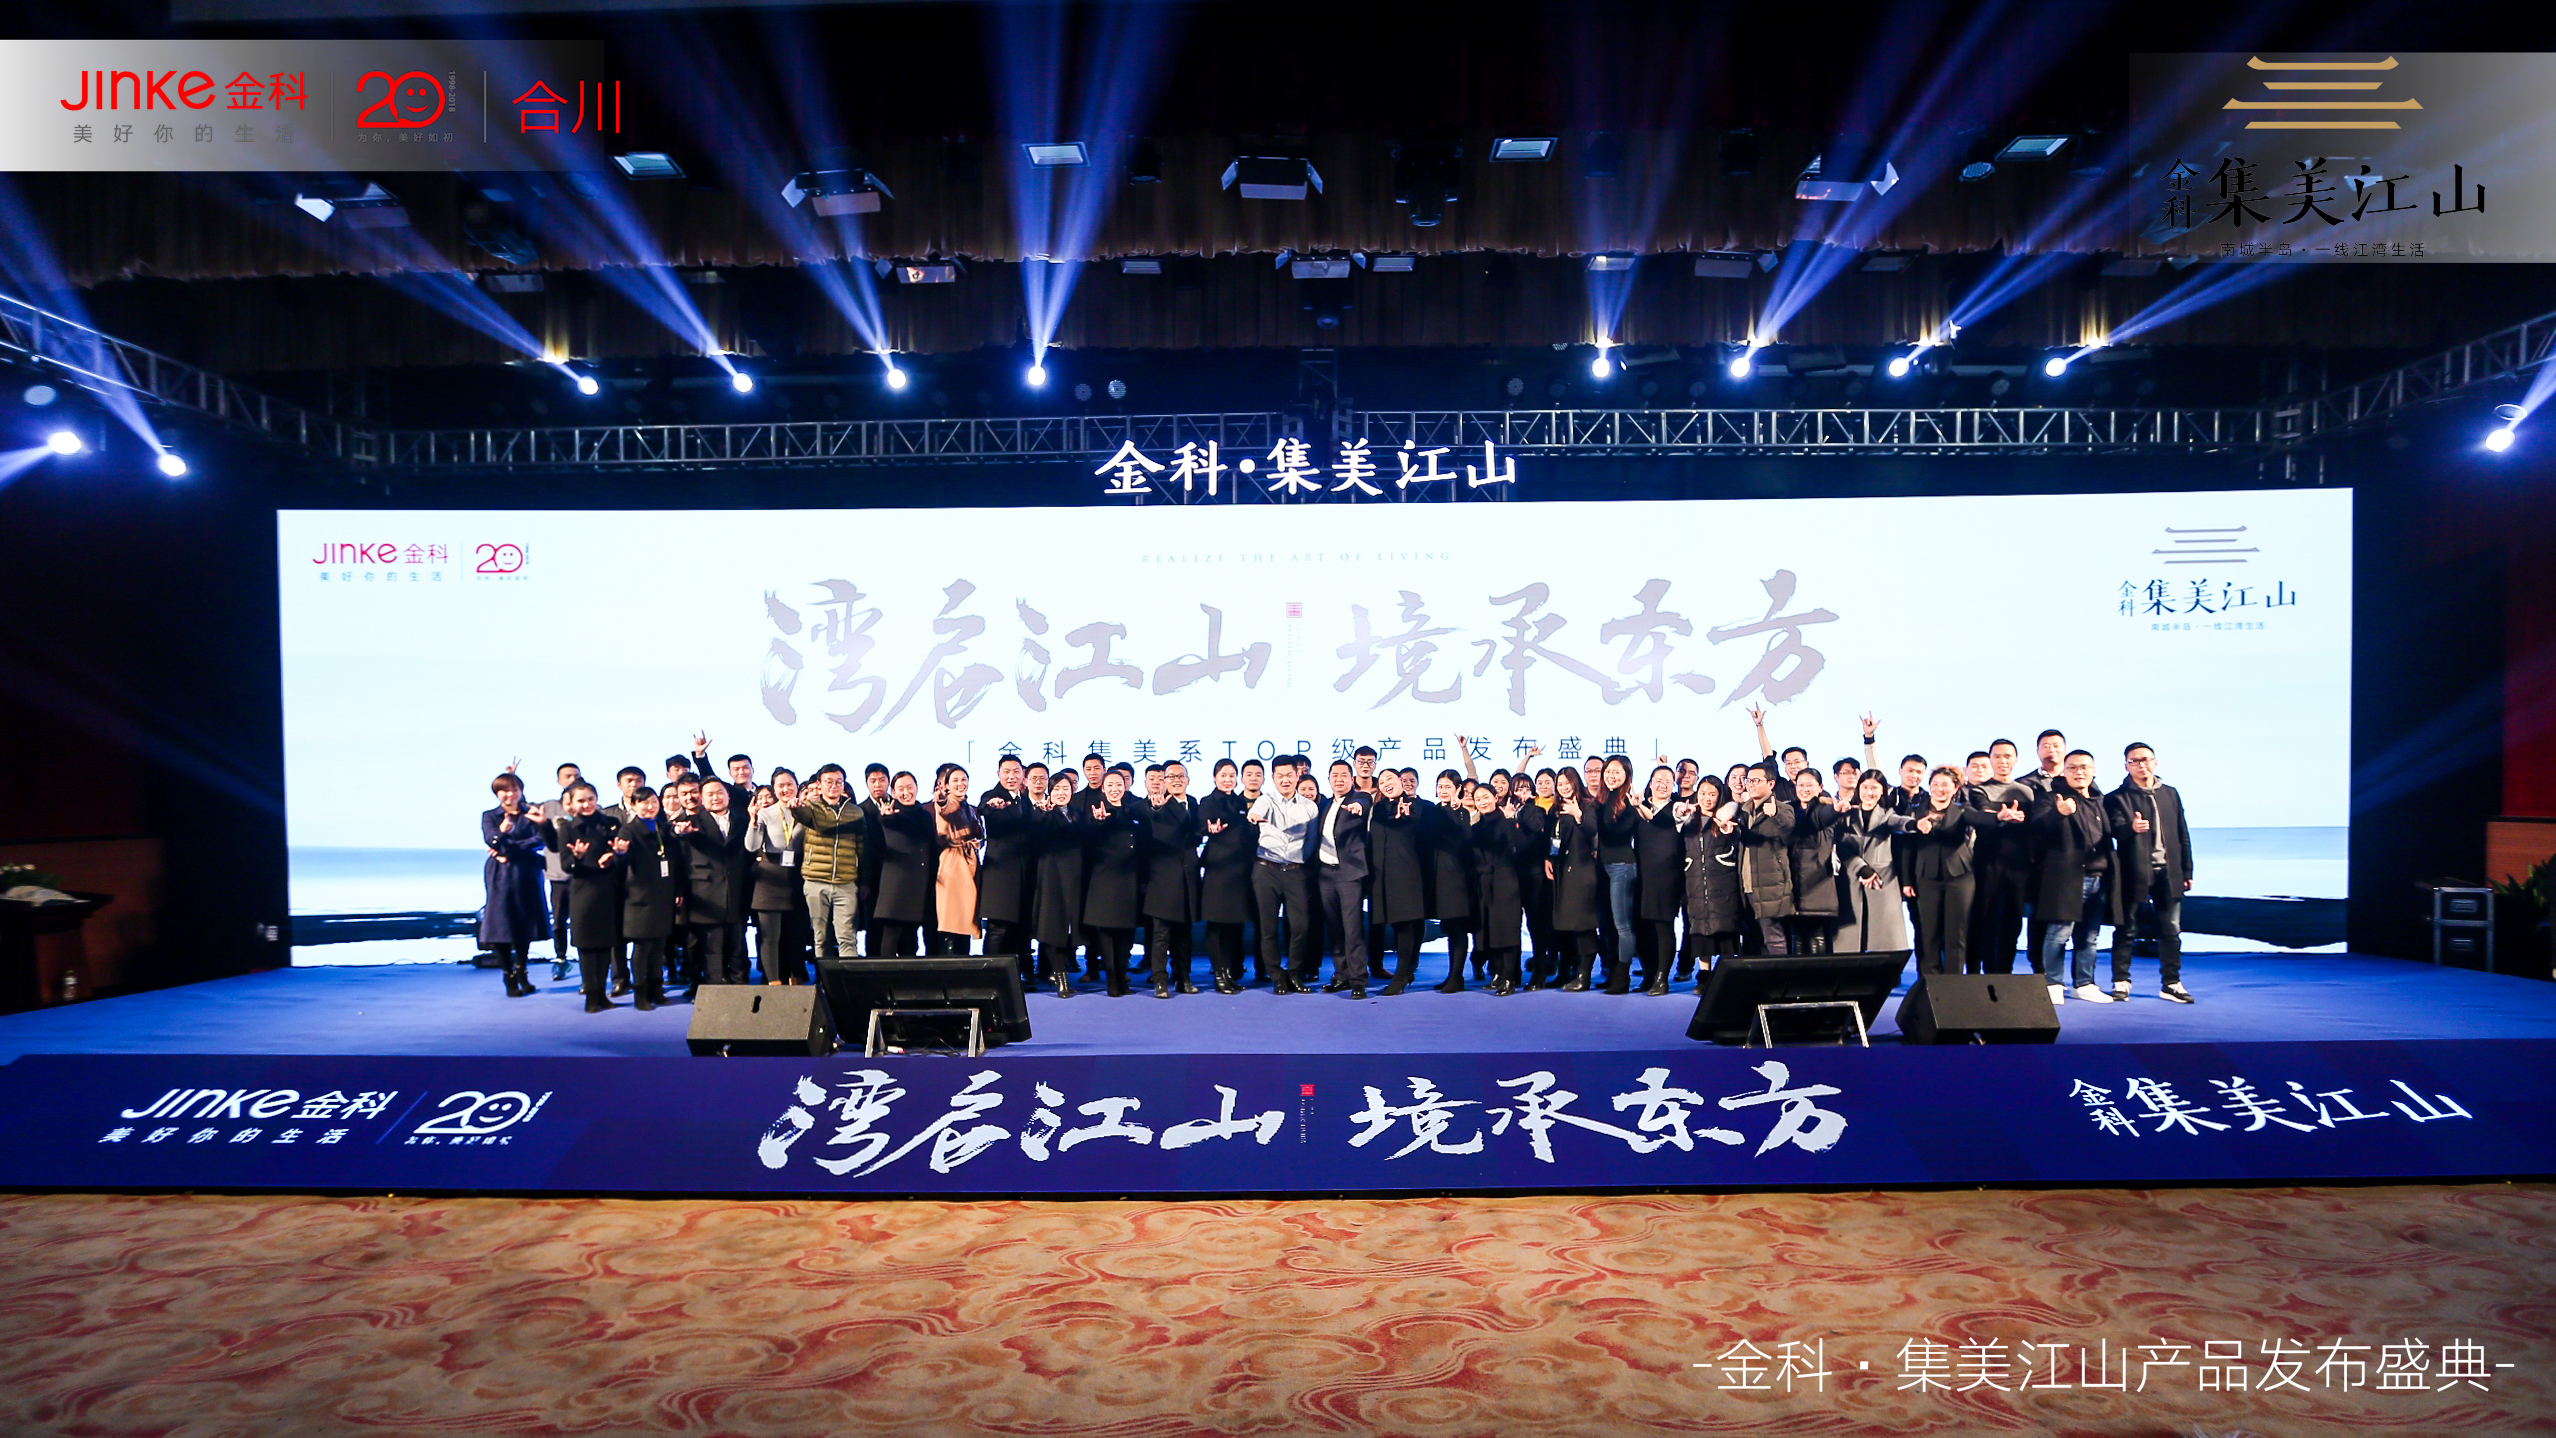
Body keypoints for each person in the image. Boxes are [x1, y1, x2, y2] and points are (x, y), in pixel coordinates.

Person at [2107, 742, 2196, 1003]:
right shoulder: (2116, 797)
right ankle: (2120, 981)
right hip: (2133, 872)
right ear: (2126, 766)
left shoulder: (2170, 793)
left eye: (2145, 759)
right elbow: (2112, 832)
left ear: (2155, 762)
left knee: (2171, 930)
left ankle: (2171, 983)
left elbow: (2182, 833)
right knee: (2126, 929)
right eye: (2134, 761)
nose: (2141, 765)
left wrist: (2187, 870)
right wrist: (2131, 828)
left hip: (2170, 872)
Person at [2030, 749, 2112, 1005]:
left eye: (2084, 767)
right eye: (2073, 768)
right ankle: (2053, 982)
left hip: (2099, 877)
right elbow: (2036, 829)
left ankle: (2084, 983)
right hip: (2066, 878)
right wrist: (2059, 813)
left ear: (2094, 771)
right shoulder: (2050, 797)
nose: (2079, 772)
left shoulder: (2101, 800)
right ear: (2064, 771)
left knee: (2090, 936)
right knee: (2058, 933)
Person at [1964, 739, 2036, 974]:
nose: (2003, 761)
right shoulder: (1980, 790)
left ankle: (2004, 972)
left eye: (2007, 756)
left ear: (2016, 760)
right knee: (1983, 918)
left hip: (2018, 866)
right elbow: (1983, 813)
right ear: (1991, 760)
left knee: (2013, 922)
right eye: (1997, 756)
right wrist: (2001, 816)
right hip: (1987, 863)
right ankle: (1976, 972)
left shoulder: (2026, 792)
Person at [1898, 766, 1978, 976]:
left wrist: (2000, 817)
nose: (1939, 789)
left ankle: (1953, 982)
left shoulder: (1962, 811)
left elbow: (1982, 819)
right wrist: (1907, 881)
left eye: (1945, 785)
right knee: (1929, 932)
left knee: (1956, 933)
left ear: (1955, 788)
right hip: (1926, 878)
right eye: (1935, 784)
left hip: (1960, 877)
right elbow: (1907, 849)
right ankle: (1930, 982)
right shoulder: (1915, 811)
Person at [675, 772, 749, 988]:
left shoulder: (743, 820)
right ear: (702, 798)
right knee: (711, 947)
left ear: (728, 795)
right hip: (705, 894)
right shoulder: (690, 824)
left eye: (719, 792)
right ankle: (712, 991)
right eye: (709, 794)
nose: (715, 797)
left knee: (738, 944)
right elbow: (680, 861)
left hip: (737, 891)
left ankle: (741, 988)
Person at [478, 773, 549, 998]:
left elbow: (539, 840)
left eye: (514, 789)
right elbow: (491, 839)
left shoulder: (531, 813)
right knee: (500, 922)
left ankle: (522, 972)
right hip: (500, 873)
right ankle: (508, 975)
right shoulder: (490, 816)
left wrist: (507, 847)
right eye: (505, 791)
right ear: (497, 794)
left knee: (524, 922)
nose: (510, 794)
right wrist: (502, 832)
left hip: (527, 871)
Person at [555, 782, 624, 1013]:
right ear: (572, 804)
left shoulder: (611, 823)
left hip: (608, 890)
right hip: (583, 892)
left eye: (590, 799)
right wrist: (578, 857)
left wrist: (614, 856)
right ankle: (591, 996)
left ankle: (602, 994)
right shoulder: (567, 829)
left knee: (606, 944)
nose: (587, 804)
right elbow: (566, 866)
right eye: (581, 801)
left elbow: (621, 856)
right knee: (586, 946)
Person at [1310, 759, 1374, 997]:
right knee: (1334, 929)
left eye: (1343, 775)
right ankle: (1341, 975)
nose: (1339, 779)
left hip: (1350, 874)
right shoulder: (1325, 804)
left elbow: (1364, 802)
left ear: (1352, 779)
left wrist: (1358, 805)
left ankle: (1358, 980)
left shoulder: (1360, 798)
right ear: (1328, 779)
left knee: (1352, 928)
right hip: (1325, 874)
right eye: (1334, 775)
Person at [1079, 767, 1146, 996]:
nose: (1115, 789)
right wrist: (1098, 821)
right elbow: (1089, 834)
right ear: (1103, 788)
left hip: (1130, 881)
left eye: (1119, 784)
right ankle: (1111, 981)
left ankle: (1122, 978)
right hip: (1105, 881)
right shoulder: (1097, 812)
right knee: (1107, 933)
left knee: (1126, 932)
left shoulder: (1133, 811)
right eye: (1110, 785)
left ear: (1125, 786)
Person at [1140, 760, 1204, 998]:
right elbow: (1150, 814)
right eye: (1171, 777)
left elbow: (1196, 833)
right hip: (1163, 879)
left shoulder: (1194, 803)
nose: (1176, 780)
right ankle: (1160, 980)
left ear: (1188, 780)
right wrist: (1155, 808)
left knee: (1184, 934)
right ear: (1164, 782)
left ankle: (1183, 978)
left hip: (1188, 877)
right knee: (1161, 934)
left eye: (1181, 776)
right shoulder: (1157, 804)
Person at [789, 764, 865, 962]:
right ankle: (823, 977)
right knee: (820, 937)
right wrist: (795, 809)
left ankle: (849, 978)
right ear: (819, 784)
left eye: (839, 782)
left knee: (847, 937)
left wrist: (864, 881)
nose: (834, 786)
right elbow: (802, 816)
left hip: (846, 882)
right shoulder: (810, 808)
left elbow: (862, 847)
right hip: (816, 880)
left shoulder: (856, 812)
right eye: (829, 782)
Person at [1365, 769, 1429, 995]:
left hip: (1406, 875)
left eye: (1390, 778)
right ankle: (1403, 971)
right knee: (1391, 924)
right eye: (1382, 781)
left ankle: (1402, 975)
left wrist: (1408, 816)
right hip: (1380, 876)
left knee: (1405, 925)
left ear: (1401, 781)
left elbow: (1422, 833)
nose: (1386, 783)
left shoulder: (1416, 806)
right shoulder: (1379, 808)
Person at [1197, 758, 1258, 993]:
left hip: (1240, 871)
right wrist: (1208, 830)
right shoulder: (1208, 801)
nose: (1227, 780)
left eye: (1232, 776)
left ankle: (1230, 973)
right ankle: (1218, 974)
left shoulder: (1241, 802)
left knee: (1234, 925)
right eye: (1223, 775)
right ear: (1215, 777)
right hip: (1218, 870)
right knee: (1217, 925)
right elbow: (1200, 826)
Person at [745, 771, 810, 984]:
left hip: (797, 877)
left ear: (797, 786)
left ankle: (796, 977)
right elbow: (752, 846)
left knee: (797, 935)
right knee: (770, 937)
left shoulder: (806, 811)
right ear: (774, 789)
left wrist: (805, 812)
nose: (785, 789)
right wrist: (753, 819)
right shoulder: (765, 813)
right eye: (780, 785)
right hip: (769, 878)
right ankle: (773, 981)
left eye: (789, 784)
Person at [1467, 783, 1532, 995]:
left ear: (1496, 798)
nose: (1482, 802)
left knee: (1506, 929)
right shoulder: (1475, 827)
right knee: (1489, 930)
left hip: (1505, 881)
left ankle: (1510, 977)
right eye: (1478, 799)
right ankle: (1497, 973)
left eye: (1486, 797)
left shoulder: (1506, 822)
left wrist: (1511, 820)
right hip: (1483, 882)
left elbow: (1522, 846)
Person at [1027, 771, 1087, 997]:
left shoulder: (1078, 814)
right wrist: (1042, 815)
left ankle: (1059, 973)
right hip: (1052, 879)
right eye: (1056, 789)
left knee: (1070, 930)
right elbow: (1035, 836)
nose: (1061, 793)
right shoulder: (1043, 814)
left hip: (1075, 879)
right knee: (1053, 928)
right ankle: (1060, 978)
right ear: (1049, 793)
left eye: (1066, 789)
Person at [1678, 776, 1743, 980]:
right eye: (1703, 793)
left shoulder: (1729, 817)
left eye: (1712, 794)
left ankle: (1726, 974)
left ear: (1719, 796)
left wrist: (1730, 831)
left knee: (1725, 928)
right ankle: (1704, 974)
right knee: (1700, 930)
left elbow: (1738, 841)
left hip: (1723, 884)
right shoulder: (1689, 820)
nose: (1707, 798)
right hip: (1695, 883)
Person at [1834, 772, 1909, 953]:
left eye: (1874, 788)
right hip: (1851, 880)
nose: (1869, 792)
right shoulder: (1845, 816)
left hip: (1883, 881)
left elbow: (1900, 823)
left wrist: (1914, 825)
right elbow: (1842, 847)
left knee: (1884, 940)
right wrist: (1862, 869)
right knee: (1849, 941)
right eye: (1865, 787)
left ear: (1883, 791)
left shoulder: (1888, 815)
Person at [615, 787, 674, 1011]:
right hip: (639, 897)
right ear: (634, 805)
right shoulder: (628, 830)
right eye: (643, 803)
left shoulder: (664, 828)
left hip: (663, 895)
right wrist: (620, 853)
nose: (649, 807)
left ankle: (656, 990)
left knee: (659, 945)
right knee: (642, 947)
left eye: (653, 802)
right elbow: (621, 863)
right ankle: (640, 994)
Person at [975, 756, 1035, 976]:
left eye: (1016, 772)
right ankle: (988, 975)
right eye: (1006, 772)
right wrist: (992, 806)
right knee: (997, 928)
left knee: (1020, 928)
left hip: (1023, 875)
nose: (1011, 776)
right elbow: (985, 808)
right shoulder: (992, 796)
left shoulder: (1025, 799)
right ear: (998, 774)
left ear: (1023, 775)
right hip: (1000, 875)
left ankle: (1019, 975)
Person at [1547, 766, 1605, 990]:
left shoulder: (1588, 805)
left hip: (1581, 872)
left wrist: (1578, 814)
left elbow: (1592, 831)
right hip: (1561, 872)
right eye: (1560, 784)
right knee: (1565, 925)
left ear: (1576, 783)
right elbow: (1551, 839)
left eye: (1567, 783)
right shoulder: (1556, 809)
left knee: (1583, 925)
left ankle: (1584, 975)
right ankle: (1566, 971)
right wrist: (1548, 858)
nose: (1563, 788)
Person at [1629, 766, 1684, 994]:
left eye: (1669, 780)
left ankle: (1662, 978)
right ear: (1650, 783)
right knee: (1641, 928)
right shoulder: (1636, 806)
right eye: (1658, 780)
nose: (1663, 784)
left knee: (1663, 927)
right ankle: (1648, 974)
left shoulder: (1677, 807)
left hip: (1667, 877)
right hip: (1639, 876)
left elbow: (1660, 820)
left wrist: (1638, 806)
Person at [869, 771, 935, 958]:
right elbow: (887, 820)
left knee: (911, 935)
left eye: (910, 787)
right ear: (893, 792)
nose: (906, 793)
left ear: (917, 788)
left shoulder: (924, 814)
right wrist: (886, 816)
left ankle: (909, 975)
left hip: (918, 882)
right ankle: (886, 974)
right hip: (896, 882)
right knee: (891, 932)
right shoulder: (891, 812)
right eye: (900, 789)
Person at [1734, 763, 1797, 955]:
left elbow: (1790, 836)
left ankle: (1782, 974)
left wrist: (1776, 815)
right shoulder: (1743, 812)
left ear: (1771, 784)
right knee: (1753, 940)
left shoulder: (1783, 808)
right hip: (1747, 884)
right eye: (1749, 780)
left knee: (1774, 939)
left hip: (1771, 885)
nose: (1751, 784)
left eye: (1756, 780)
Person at [1591, 755, 1641, 992]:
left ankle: (1623, 976)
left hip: (1622, 866)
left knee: (1622, 925)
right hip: (1602, 867)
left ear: (1627, 775)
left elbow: (1618, 833)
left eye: (1617, 772)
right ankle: (1612, 972)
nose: (1611, 776)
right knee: (1608, 924)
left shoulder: (1629, 801)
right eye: (1608, 771)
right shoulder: (1601, 799)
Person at [1425, 770, 1477, 991]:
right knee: (1449, 928)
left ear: (1458, 789)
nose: (1443, 791)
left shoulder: (1462, 813)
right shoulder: (1432, 811)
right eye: (1440, 786)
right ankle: (1451, 975)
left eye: (1448, 787)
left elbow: (1466, 839)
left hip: (1457, 880)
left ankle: (1457, 976)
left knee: (1458, 928)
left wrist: (1456, 811)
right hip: (1436, 879)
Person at [1785, 770, 1843, 955]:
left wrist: (1835, 810)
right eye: (1801, 785)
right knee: (1796, 936)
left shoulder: (1825, 809)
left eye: (1809, 785)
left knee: (1818, 936)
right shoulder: (1789, 810)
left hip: (1818, 881)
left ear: (1820, 787)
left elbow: (1822, 818)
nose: (1805, 789)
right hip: (1793, 882)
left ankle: (1818, 974)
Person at [929, 766, 982, 956]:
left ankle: (963, 963)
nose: (960, 784)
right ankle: (950, 964)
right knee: (951, 920)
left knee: (965, 920)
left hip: (968, 865)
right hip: (953, 865)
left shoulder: (969, 807)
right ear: (946, 785)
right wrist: (941, 801)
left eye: (963, 779)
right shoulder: (949, 802)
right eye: (955, 780)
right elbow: (945, 810)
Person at [537, 762, 582, 983]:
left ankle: (588, 960)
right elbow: (525, 810)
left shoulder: (589, 808)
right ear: (559, 780)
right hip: (558, 875)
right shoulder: (549, 807)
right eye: (568, 776)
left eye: (576, 776)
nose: (572, 779)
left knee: (583, 920)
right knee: (559, 920)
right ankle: (561, 958)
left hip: (583, 875)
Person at [855, 762, 891, 953]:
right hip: (873, 875)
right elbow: (861, 849)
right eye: (873, 780)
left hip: (898, 874)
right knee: (874, 925)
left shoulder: (900, 805)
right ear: (867, 783)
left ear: (888, 782)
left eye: (882, 780)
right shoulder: (859, 810)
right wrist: (864, 882)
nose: (878, 785)